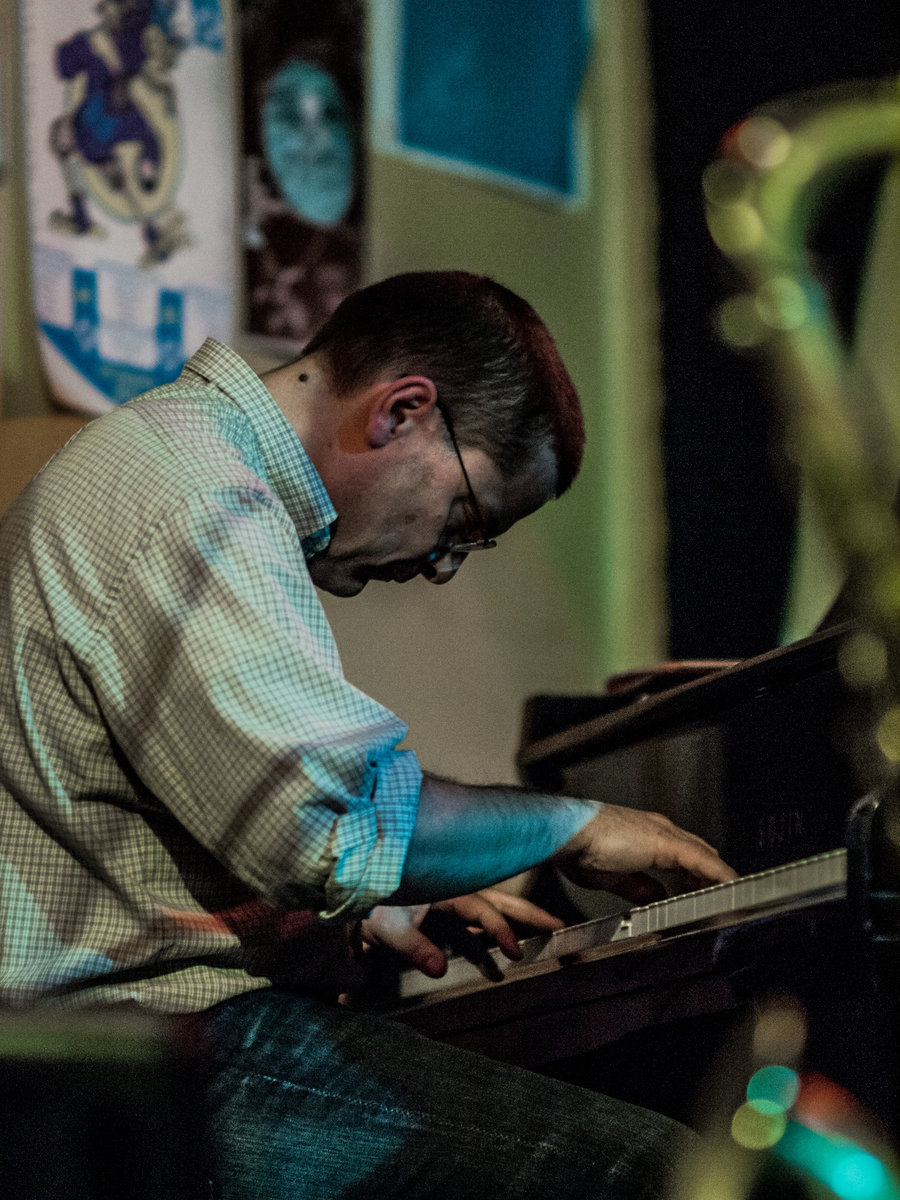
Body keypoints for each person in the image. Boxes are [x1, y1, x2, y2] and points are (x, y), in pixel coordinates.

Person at [0, 271, 735, 1199]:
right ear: (401, 412)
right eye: (465, 520)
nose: (443, 565)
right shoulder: (198, 496)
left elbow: (181, 814)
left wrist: (360, 911)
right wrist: (576, 824)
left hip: (116, 1026)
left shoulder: (168, 459)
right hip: (116, 1058)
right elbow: (328, 832)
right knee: (664, 1173)